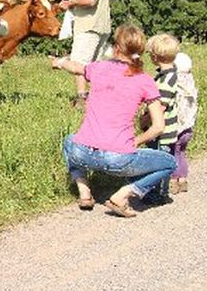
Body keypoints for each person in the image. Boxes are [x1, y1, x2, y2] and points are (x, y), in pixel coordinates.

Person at [53, 24, 176, 218]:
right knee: (169, 163)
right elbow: (158, 127)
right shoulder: (145, 80)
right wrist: (136, 141)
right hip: (118, 158)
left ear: (116, 47)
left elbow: (75, 67)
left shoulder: (98, 68)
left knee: (70, 140)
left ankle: (84, 191)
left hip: (82, 152)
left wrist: (59, 62)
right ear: (140, 51)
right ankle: (122, 195)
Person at [58, 0, 111, 108]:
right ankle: (97, 98)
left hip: (89, 25)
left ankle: (82, 98)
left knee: (79, 63)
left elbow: (90, 0)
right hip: (100, 24)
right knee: (95, 65)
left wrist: (70, 3)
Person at [141, 34, 180, 204]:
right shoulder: (170, 75)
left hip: (162, 132)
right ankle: (159, 192)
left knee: (158, 162)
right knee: (161, 160)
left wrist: (146, 119)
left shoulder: (165, 80)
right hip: (168, 130)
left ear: (155, 57)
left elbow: (160, 107)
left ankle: (157, 193)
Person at [172, 51, 198, 193]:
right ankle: (183, 179)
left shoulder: (176, 82)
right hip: (189, 126)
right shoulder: (190, 81)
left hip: (178, 126)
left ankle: (174, 179)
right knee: (182, 152)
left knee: (174, 152)